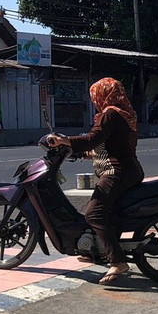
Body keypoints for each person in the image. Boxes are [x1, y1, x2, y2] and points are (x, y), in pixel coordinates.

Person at [46, 78, 144, 285]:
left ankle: (118, 261)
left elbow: (93, 139)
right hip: (130, 170)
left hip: (116, 172)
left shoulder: (110, 114)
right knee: (107, 211)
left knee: (94, 213)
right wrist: (80, 153)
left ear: (103, 95)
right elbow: (110, 145)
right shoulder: (125, 113)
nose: (94, 101)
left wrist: (64, 140)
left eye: (95, 96)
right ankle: (98, 251)